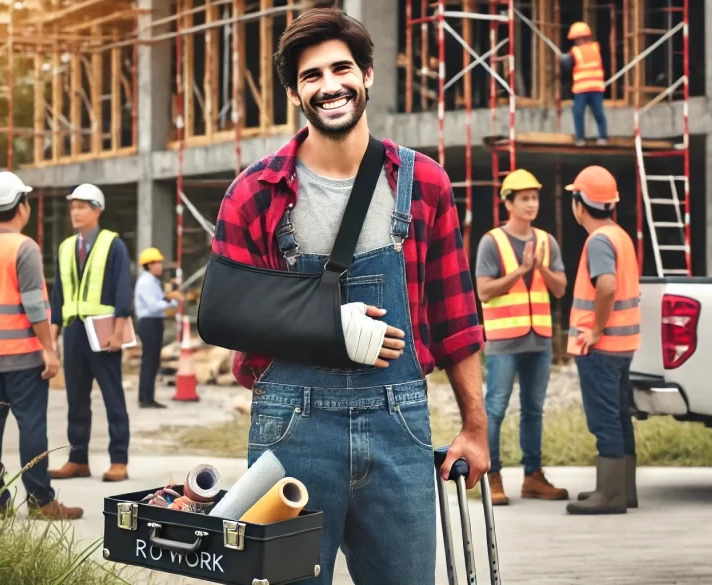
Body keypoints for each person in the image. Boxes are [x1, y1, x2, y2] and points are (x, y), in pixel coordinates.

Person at [211, 9, 488, 584]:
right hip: (292, 433)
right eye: (311, 76)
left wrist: (475, 428)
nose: (329, 85)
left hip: (399, 428)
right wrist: (325, 325)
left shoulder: (423, 183)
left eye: (342, 68)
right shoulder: (255, 193)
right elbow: (225, 314)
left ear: (366, 75)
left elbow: (455, 315)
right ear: (294, 92)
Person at [0, 170, 82, 520]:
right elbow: (35, 306)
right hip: (24, 358)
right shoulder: (24, 248)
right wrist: (48, 349)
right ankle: (41, 502)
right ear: (21, 206)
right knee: (31, 427)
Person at [474, 168, 569, 506]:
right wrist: (520, 272)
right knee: (495, 409)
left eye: (535, 198)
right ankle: (492, 476)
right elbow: (483, 291)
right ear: (509, 204)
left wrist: (540, 267)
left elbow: (560, 289)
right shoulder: (492, 242)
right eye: (525, 198)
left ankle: (533, 476)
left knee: (534, 410)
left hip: (539, 341)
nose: (532, 204)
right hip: (504, 342)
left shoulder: (546, 241)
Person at [563, 165, 641, 515]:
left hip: (601, 347)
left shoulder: (598, 241)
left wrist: (594, 330)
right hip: (623, 346)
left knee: (604, 417)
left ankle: (609, 496)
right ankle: (623, 490)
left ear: (580, 203)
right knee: (620, 415)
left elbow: (606, 286)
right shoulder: (620, 235)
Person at [47, 183, 134, 483]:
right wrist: (52, 337)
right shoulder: (65, 247)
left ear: (97, 210)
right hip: (73, 333)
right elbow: (59, 295)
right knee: (76, 398)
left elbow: (124, 288)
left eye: (82, 206)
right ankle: (77, 459)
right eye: (73, 207)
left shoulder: (114, 245)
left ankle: (119, 460)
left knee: (113, 396)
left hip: (104, 331)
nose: (75, 212)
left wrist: (119, 332)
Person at [134, 247, 182, 408]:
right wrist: (170, 300)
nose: (161, 266)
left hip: (154, 322)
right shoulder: (146, 282)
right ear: (149, 265)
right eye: (158, 263)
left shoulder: (153, 281)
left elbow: (162, 303)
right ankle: (145, 398)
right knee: (149, 361)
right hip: (149, 323)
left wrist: (171, 299)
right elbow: (154, 306)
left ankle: (148, 396)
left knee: (153, 361)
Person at [560, 21, 608, 147]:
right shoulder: (594, 48)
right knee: (585, 112)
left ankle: (590, 137)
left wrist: (564, 60)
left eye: (577, 39)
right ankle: (592, 137)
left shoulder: (577, 51)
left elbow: (568, 67)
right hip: (588, 89)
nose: (576, 41)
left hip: (591, 88)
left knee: (588, 112)